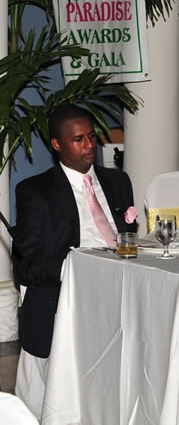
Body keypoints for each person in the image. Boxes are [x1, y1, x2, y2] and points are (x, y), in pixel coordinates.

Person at [12, 104, 137, 417]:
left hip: (124, 288)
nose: (89, 145)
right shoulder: (35, 191)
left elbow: (129, 239)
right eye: (78, 139)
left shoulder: (118, 182)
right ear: (57, 144)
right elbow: (27, 266)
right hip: (68, 294)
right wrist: (79, 268)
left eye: (92, 136)